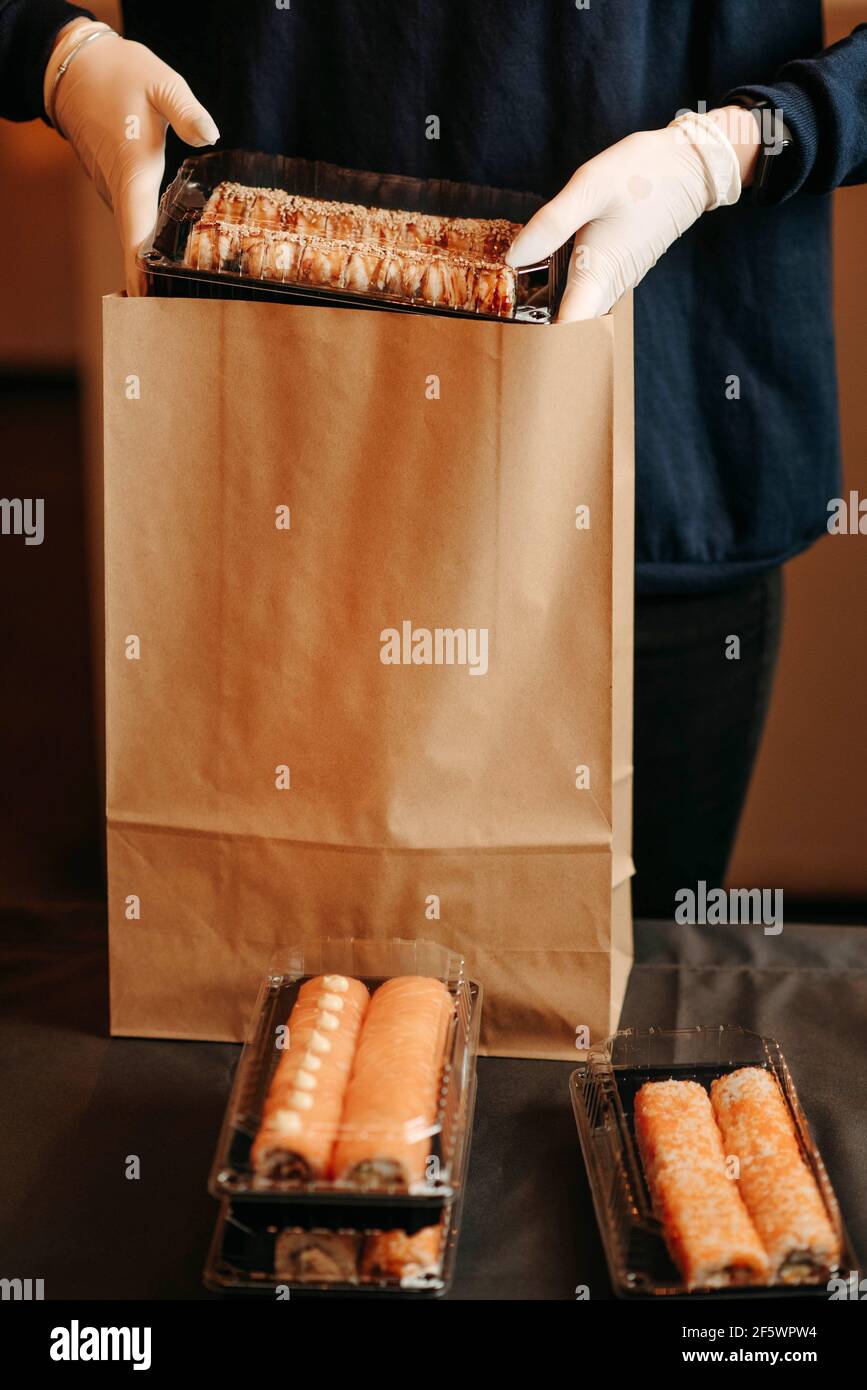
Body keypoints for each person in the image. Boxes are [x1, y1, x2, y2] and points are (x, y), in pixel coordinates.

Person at [3, 0, 865, 915]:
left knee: (626, 1008)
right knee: (267, 997)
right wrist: (53, 53)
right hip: (274, 457)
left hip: (653, 458)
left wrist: (734, 148)